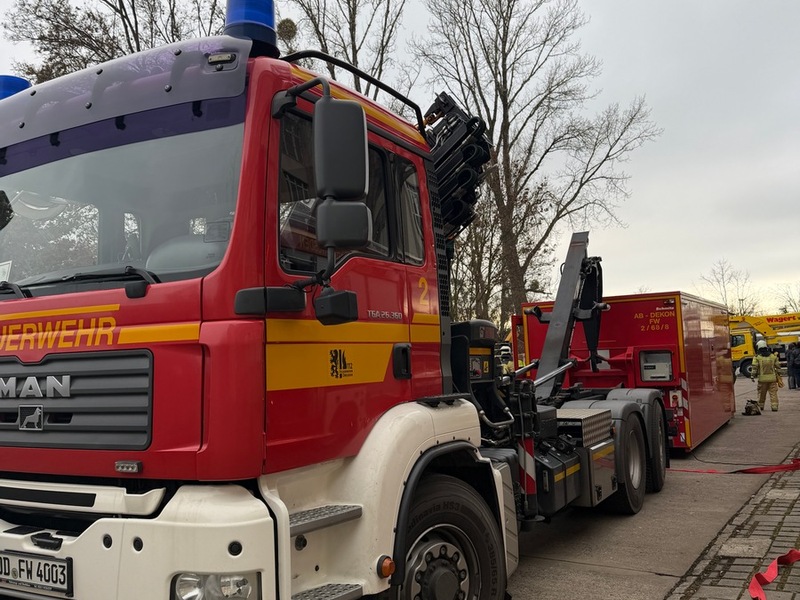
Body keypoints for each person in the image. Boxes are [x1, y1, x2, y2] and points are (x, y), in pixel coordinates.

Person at [751, 340, 780, 411]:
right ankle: (774, 407)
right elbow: (778, 366)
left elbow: (754, 368)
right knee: (773, 393)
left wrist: (752, 376)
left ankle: (761, 406)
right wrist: (779, 375)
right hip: (772, 379)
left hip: (762, 379)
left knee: (762, 393)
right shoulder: (773, 356)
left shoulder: (757, 358)